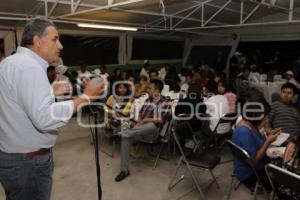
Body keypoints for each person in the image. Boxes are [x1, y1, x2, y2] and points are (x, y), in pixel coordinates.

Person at [0, 18, 104, 200]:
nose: (61, 45)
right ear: (38, 41)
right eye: (55, 39)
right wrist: (85, 97)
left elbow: (17, 101)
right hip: (28, 163)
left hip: (14, 156)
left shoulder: (11, 62)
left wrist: (48, 91)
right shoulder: (29, 67)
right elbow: (44, 118)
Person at [115, 79, 171, 182]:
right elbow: (140, 115)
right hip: (140, 130)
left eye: (150, 88)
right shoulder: (147, 101)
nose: (148, 90)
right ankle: (125, 171)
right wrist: (136, 122)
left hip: (153, 133)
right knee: (126, 137)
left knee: (151, 125)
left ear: (157, 90)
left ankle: (126, 132)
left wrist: (145, 120)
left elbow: (160, 120)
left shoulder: (165, 103)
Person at [232, 88, 281, 191]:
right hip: (250, 173)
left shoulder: (251, 123)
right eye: (265, 117)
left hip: (259, 165)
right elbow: (253, 162)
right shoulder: (244, 131)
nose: (267, 120)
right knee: (286, 182)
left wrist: (269, 134)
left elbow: (257, 141)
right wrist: (268, 141)